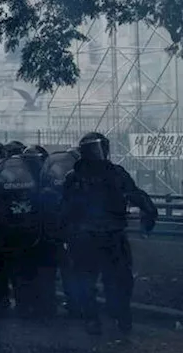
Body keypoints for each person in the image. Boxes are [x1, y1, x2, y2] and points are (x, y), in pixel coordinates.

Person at [63, 132, 157, 335]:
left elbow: (136, 195)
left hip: (100, 236)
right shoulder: (79, 177)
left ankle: (110, 317)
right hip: (97, 236)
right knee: (100, 281)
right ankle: (106, 318)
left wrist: (148, 215)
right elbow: (65, 209)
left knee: (107, 280)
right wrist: (148, 218)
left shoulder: (105, 174)